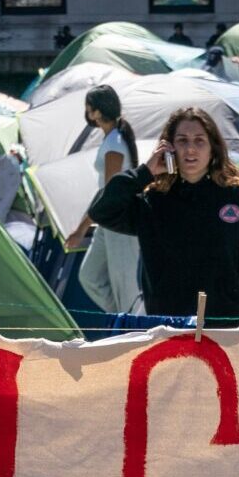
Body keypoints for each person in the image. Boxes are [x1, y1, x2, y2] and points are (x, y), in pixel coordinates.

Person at [85, 105, 239, 320]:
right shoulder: (152, 201)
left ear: (213, 148)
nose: (190, 149)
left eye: (199, 141)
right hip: (170, 331)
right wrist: (145, 172)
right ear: (169, 147)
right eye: (182, 140)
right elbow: (101, 211)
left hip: (227, 328)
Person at [70, 85, 144, 314]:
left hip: (118, 222)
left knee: (125, 285)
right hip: (107, 222)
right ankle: (122, 319)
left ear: (97, 111)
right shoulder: (112, 139)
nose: (86, 113)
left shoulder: (115, 144)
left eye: (88, 108)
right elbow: (105, 189)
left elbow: (111, 191)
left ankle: (130, 327)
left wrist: (82, 228)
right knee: (89, 275)